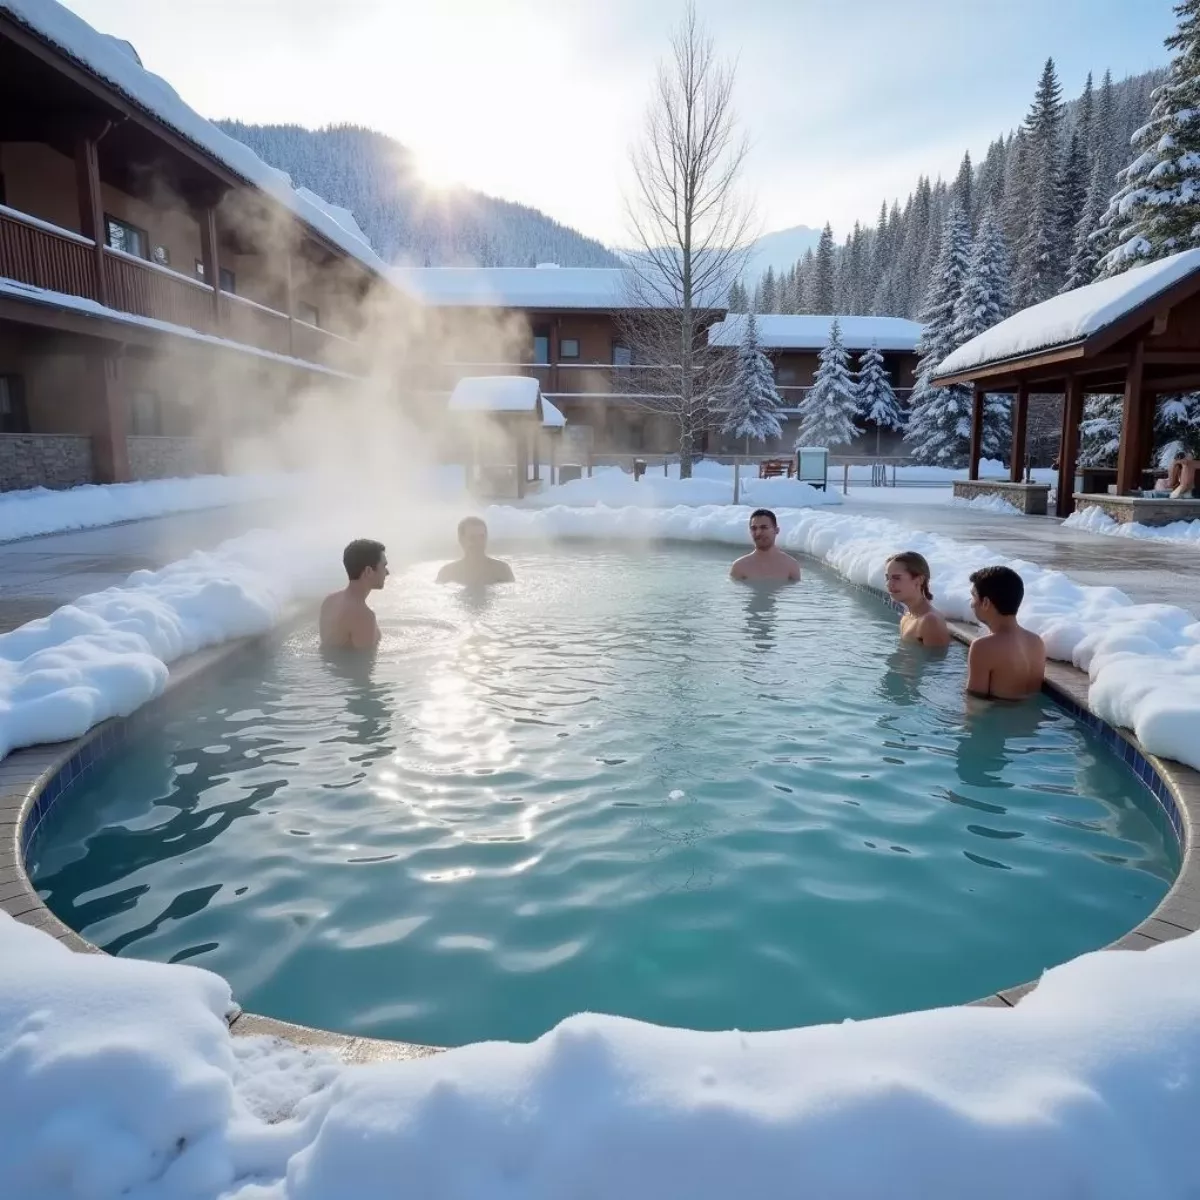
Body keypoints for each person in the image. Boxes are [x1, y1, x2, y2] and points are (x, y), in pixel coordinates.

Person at [966, 565, 1046, 700]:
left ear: (985, 602)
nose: (971, 604)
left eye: (973, 596)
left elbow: (975, 705)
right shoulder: (1036, 642)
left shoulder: (983, 647)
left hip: (996, 718)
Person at [319, 538, 388, 651]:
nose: (387, 572)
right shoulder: (364, 616)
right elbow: (364, 664)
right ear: (369, 571)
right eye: (384, 566)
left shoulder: (329, 601)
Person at [885, 551, 950, 649]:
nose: (889, 584)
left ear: (919, 580)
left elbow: (936, 662)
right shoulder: (907, 616)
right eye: (887, 578)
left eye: (897, 578)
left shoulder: (930, 621)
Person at [436, 516, 514, 585]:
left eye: (482, 537)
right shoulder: (448, 573)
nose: (478, 542)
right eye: (472, 538)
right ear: (461, 540)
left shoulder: (501, 570)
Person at [730, 509, 801, 582]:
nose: (758, 533)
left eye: (764, 527)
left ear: (776, 530)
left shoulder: (791, 566)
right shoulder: (740, 567)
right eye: (754, 528)